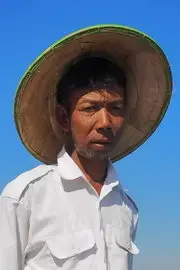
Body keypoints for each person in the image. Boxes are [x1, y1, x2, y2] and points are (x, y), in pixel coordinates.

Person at [0, 25, 172, 270]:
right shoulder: (24, 197)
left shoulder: (126, 207)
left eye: (116, 108)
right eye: (90, 109)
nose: (105, 123)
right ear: (63, 118)